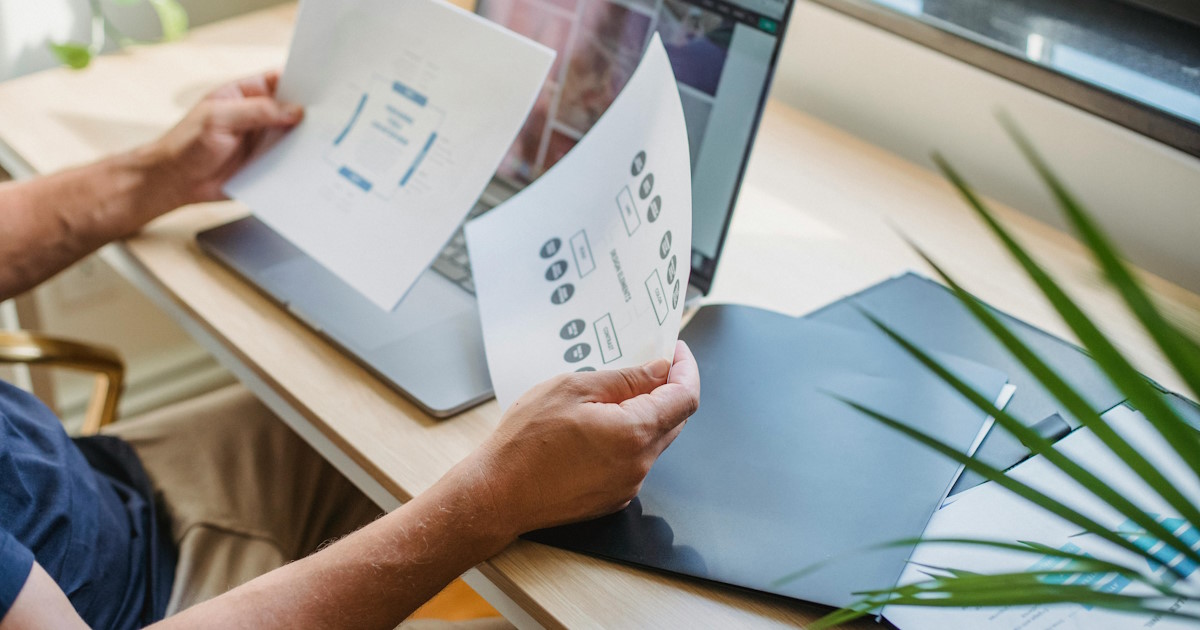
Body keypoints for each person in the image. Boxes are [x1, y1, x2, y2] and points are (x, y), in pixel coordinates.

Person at [0, 72, 700, 629]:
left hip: (86, 487)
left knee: (411, 410)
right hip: (149, 604)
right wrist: (489, 501)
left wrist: (155, 175)